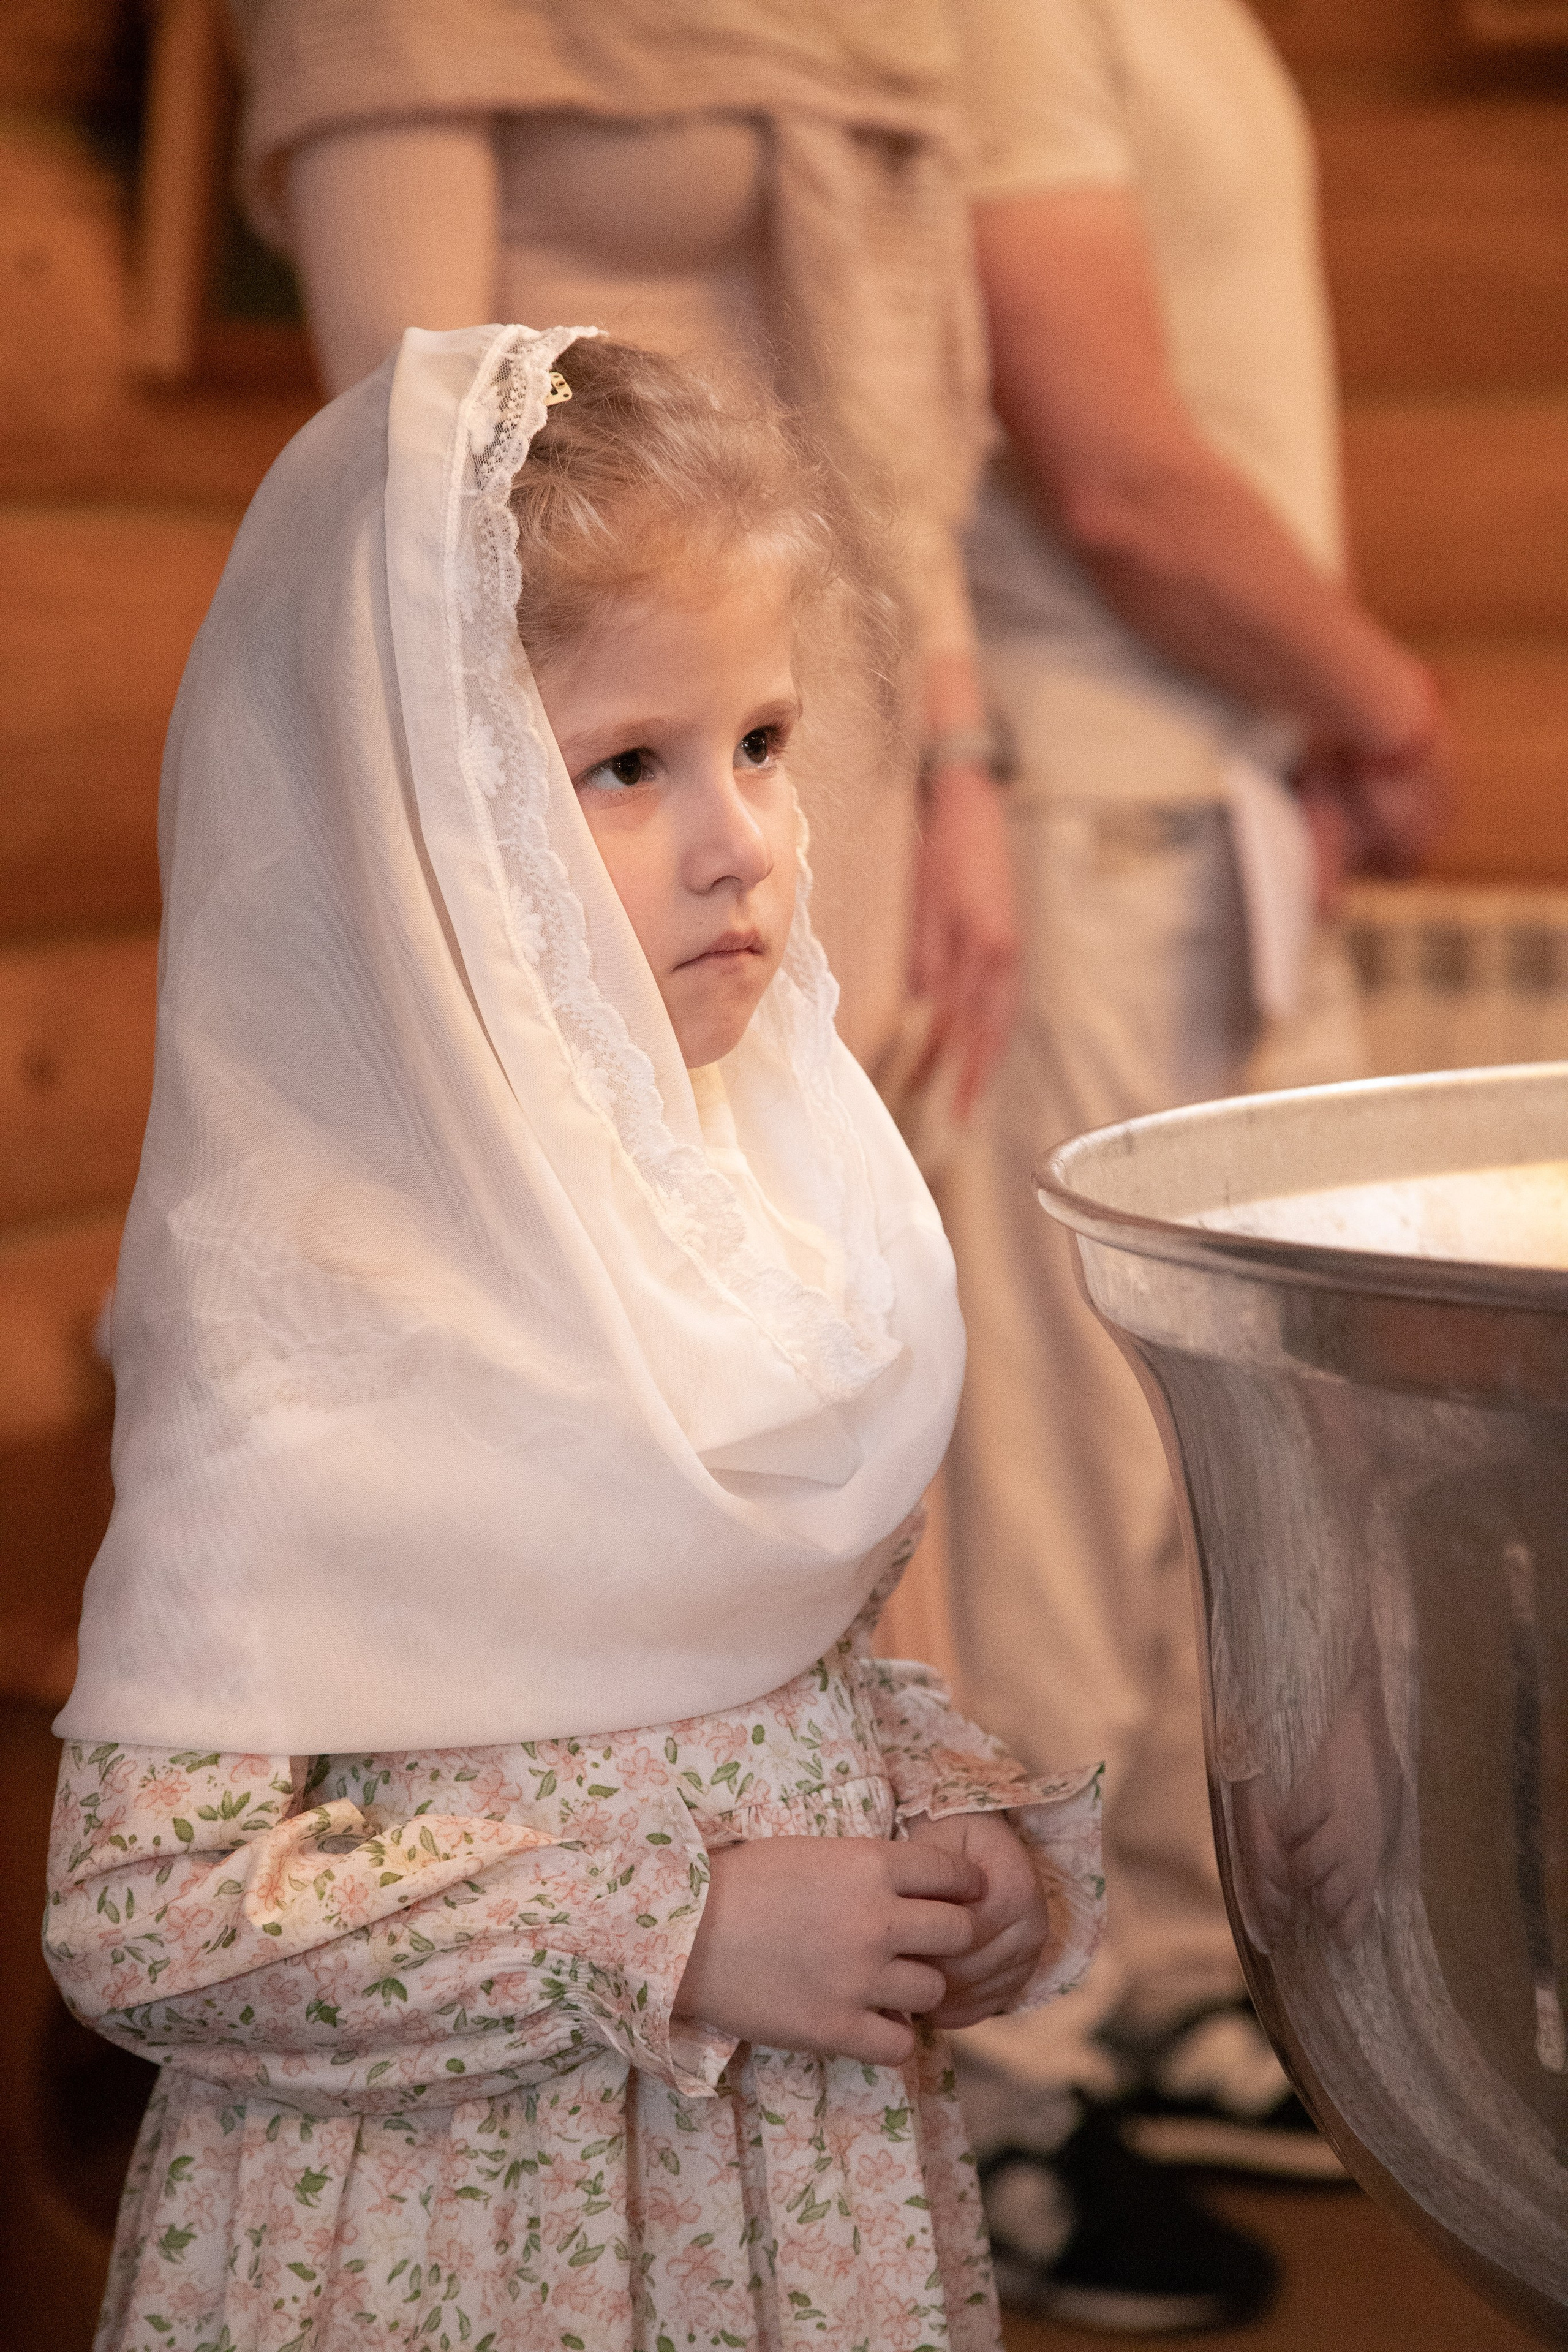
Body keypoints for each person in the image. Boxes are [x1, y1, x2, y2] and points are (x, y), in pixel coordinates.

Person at [43, 327, 1103, 2352]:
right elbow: (144, 1919)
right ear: (427, 830)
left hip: (782, 2211)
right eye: (632, 765)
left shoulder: (765, 1212)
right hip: (451, 2243)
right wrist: (679, 1934)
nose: (746, 844)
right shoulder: (317, 1317)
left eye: (767, 741)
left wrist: (942, 1872)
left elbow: (780, 1680)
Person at [937, 0, 1452, 2331]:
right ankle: (1008, 2093)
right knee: (1059, 1496)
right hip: (1088, 824)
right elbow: (1117, 470)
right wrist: (1387, 698)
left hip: (1215, 832)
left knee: (1218, 1500)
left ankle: (1147, 1984)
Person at [227, 0, 1019, 1112]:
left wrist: (957, 754)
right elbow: (420, 469)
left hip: (810, 690)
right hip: (580, 709)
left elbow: (892, 438)